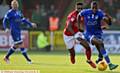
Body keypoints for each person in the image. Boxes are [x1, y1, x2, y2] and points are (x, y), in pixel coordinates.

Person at [77, 1, 118, 70]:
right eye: (93, 8)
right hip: (88, 34)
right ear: (91, 7)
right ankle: (110, 64)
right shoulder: (85, 12)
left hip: (98, 33)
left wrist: (108, 19)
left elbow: (108, 22)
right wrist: (79, 27)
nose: (94, 9)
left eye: (95, 8)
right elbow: (78, 16)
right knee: (100, 43)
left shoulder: (100, 13)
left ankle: (100, 57)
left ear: (97, 7)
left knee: (101, 46)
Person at [63, 2, 96, 68]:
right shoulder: (72, 15)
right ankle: (72, 56)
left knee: (87, 46)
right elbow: (68, 27)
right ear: (76, 8)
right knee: (72, 52)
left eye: (81, 8)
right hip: (68, 35)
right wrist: (75, 35)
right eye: (78, 8)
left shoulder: (84, 14)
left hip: (77, 33)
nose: (80, 10)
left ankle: (89, 60)